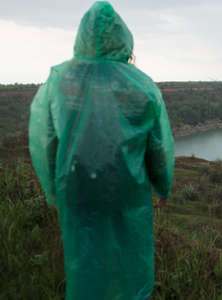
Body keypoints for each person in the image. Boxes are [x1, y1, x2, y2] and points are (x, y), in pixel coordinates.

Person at [28, 2, 174, 299]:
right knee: (131, 261)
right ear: (124, 39)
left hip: (76, 188)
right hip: (127, 192)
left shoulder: (59, 81)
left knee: (84, 261)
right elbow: (158, 146)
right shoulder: (142, 86)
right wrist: (162, 187)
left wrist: (53, 190)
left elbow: (45, 141)